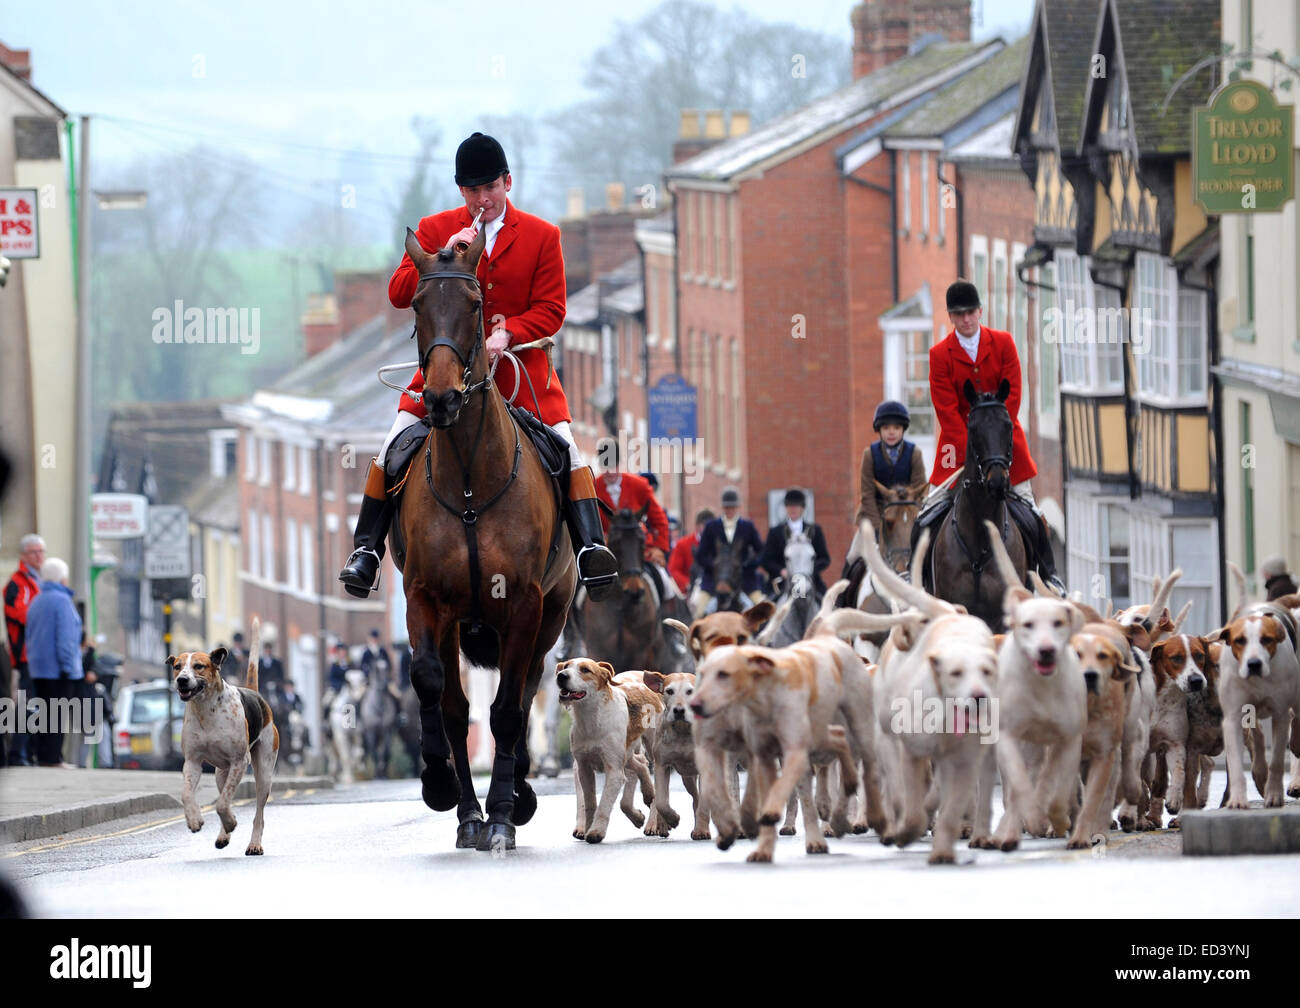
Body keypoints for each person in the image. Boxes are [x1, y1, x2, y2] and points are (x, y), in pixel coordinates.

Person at [337, 131, 617, 602]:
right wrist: (445, 248)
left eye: (490, 188)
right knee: (391, 449)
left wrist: (507, 334)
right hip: (444, 375)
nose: (482, 199)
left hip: (520, 376)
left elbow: (553, 309)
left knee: (569, 451)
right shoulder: (434, 229)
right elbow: (399, 292)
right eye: (472, 191)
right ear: (460, 191)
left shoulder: (542, 236)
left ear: (508, 183)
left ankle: (590, 550)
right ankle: (365, 553)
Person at [912, 279, 1064, 591]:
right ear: (951, 318)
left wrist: (993, 443)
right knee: (925, 517)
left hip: (1004, 447)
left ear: (980, 312)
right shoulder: (940, 355)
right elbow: (946, 409)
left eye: (970, 312)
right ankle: (916, 583)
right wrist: (974, 452)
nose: (966, 319)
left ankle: (1049, 578)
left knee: (1033, 515)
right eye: (958, 314)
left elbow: (1013, 397)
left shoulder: (1004, 343)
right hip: (958, 450)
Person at [593, 444, 676, 603]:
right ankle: (570, 622)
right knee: (577, 586)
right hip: (606, 550)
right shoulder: (593, 487)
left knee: (666, 585)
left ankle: (667, 622)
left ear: (619, 463)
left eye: (613, 465)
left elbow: (659, 520)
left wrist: (659, 548)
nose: (609, 471)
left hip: (638, 548)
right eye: (605, 465)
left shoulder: (640, 485)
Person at [23, 557, 82, 767]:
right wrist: (68, 667)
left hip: (39, 668)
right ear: (62, 578)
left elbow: (29, 635)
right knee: (58, 713)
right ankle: (53, 758)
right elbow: (66, 638)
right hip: (58, 669)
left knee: (43, 713)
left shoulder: (37, 600)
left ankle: (43, 756)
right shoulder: (62, 601)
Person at [692, 487, 765, 617]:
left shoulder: (747, 526)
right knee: (699, 612)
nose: (729, 510)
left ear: (737, 507)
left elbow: (761, 551)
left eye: (732, 507)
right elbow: (700, 555)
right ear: (722, 508)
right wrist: (715, 566)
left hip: (744, 580)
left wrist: (747, 566)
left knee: (761, 610)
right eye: (726, 507)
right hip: (714, 581)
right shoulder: (711, 526)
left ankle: (762, 637)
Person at [3, 533, 44, 766]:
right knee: (28, 703)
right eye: (34, 552)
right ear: (24, 556)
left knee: (35, 704)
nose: (39, 556)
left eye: (41, 551)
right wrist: (41, 616)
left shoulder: (37, 580)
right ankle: (18, 753)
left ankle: (27, 752)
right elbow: (15, 612)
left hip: (37, 653)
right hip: (27, 653)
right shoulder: (18, 582)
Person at [761, 488, 831, 600]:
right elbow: (766, 560)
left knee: (829, 606)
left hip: (810, 581)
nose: (792, 509)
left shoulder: (815, 530)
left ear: (802, 508)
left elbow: (824, 559)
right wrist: (781, 571)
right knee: (765, 610)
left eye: (796, 506)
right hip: (783, 583)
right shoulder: (775, 532)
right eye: (789, 506)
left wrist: (809, 570)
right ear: (785, 508)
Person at [669, 508, 714, 594]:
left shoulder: (718, 545)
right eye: (705, 525)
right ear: (697, 526)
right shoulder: (683, 544)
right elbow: (674, 570)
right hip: (691, 590)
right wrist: (688, 583)